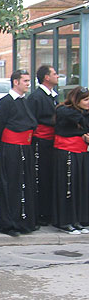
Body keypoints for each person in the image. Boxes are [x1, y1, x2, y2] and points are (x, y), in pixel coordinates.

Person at [0, 69, 38, 237]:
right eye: (25, 81)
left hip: (25, 148)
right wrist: (2, 144)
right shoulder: (6, 102)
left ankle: (25, 220)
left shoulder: (25, 101)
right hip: (11, 149)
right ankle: (9, 222)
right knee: (10, 184)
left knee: (25, 183)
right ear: (16, 82)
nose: (28, 84)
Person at [51, 86, 89, 234]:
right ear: (76, 100)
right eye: (85, 99)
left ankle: (77, 219)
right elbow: (77, 120)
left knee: (79, 185)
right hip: (66, 152)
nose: (88, 102)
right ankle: (65, 221)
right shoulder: (64, 111)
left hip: (80, 153)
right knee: (67, 186)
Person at [26, 64, 59, 226]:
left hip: (52, 142)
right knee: (41, 177)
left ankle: (49, 211)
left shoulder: (53, 96)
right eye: (54, 73)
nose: (57, 76)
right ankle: (40, 213)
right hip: (41, 142)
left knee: (50, 176)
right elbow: (32, 121)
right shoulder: (36, 97)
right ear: (46, 77)